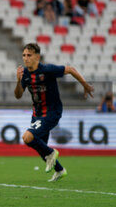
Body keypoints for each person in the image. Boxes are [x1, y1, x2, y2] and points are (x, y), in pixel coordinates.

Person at [14, 43, 94, 182]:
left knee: (28, 138)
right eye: (24, 55)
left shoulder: (47, 70)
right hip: (37, 114)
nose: (26, 58)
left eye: (29, 55)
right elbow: (18, 95)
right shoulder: (25, 74)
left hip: (51, 112)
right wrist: (18, 81)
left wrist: (85, 85)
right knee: (40, 147)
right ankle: (59, 170)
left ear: (37, 57)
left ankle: (52, 153)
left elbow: (70, 69)